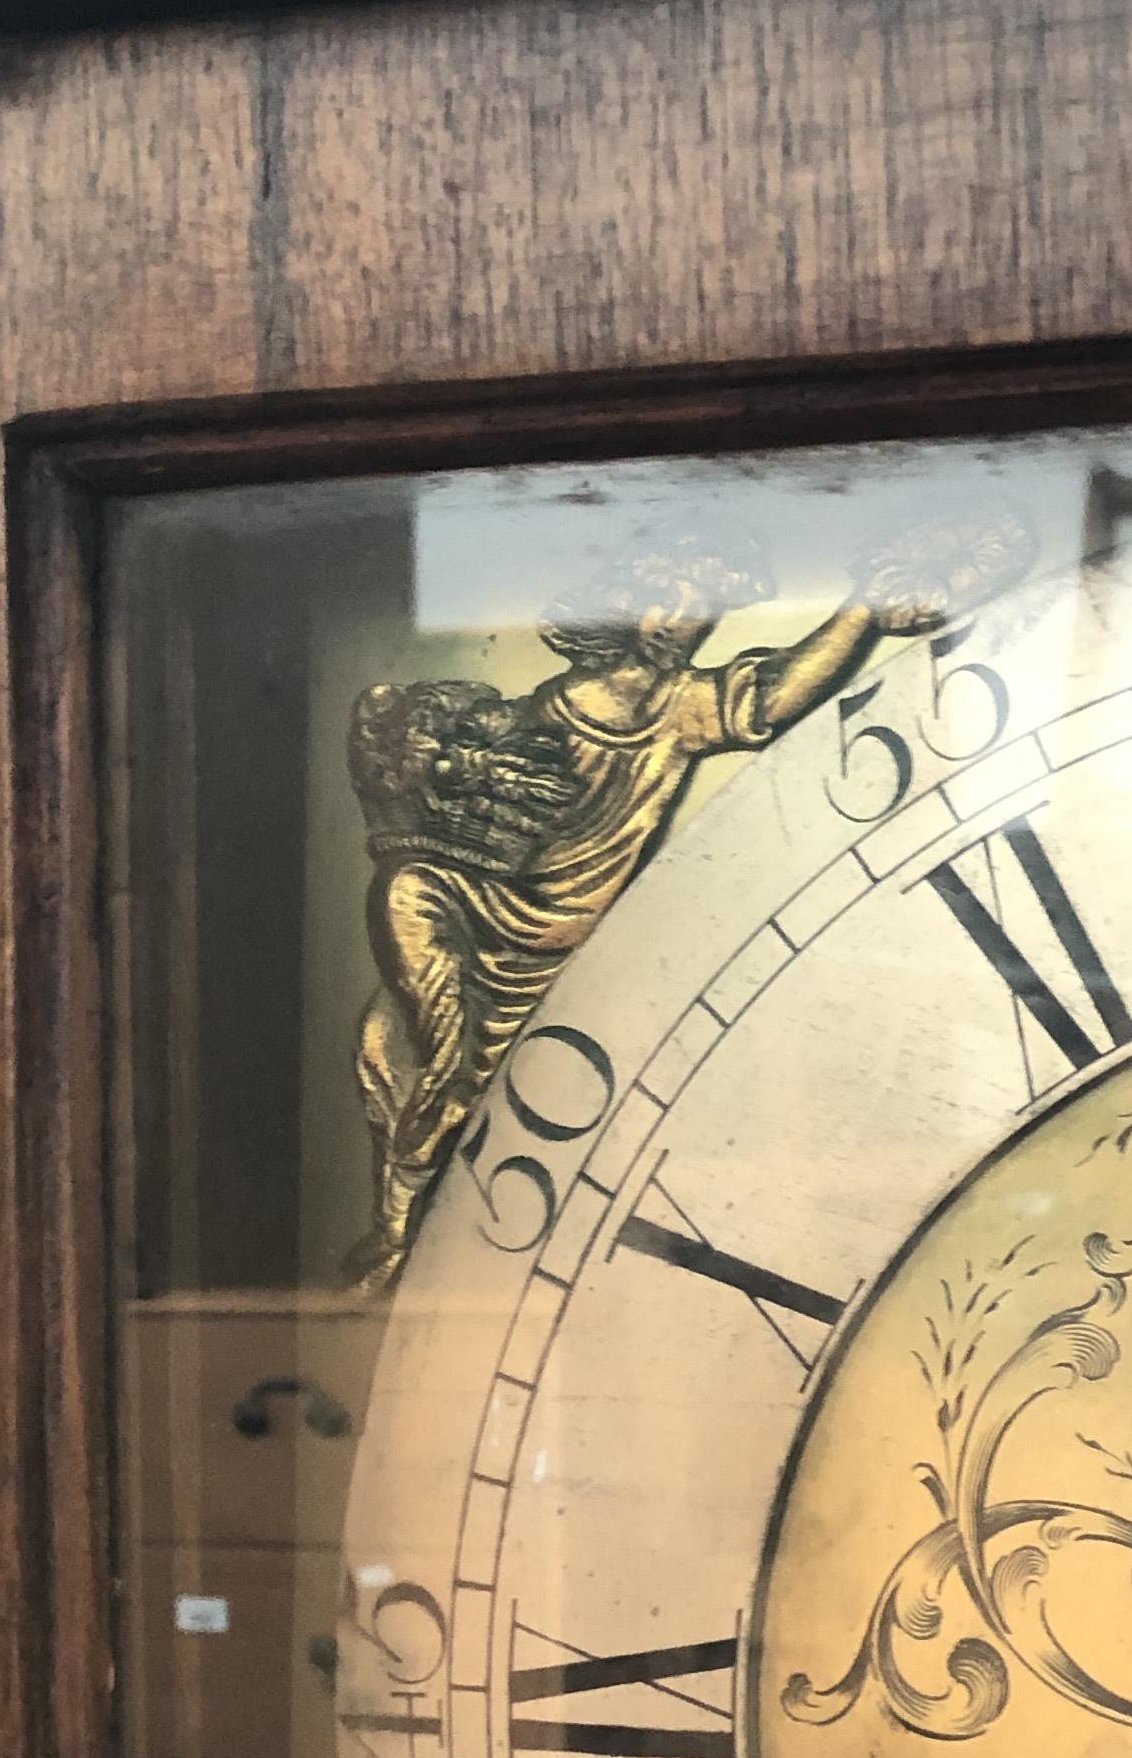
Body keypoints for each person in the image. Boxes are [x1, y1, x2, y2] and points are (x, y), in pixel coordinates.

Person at [347, 517, 944, 1279]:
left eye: (700, 611)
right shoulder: (545, 715)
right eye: (669, 601)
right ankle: (403, 1237)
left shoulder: (679, 711)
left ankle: (436, 1239)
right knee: (419, 1062)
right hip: (476, 916)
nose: (684, 624)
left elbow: (773, 692)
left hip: (570, 955)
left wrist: (861, 611)